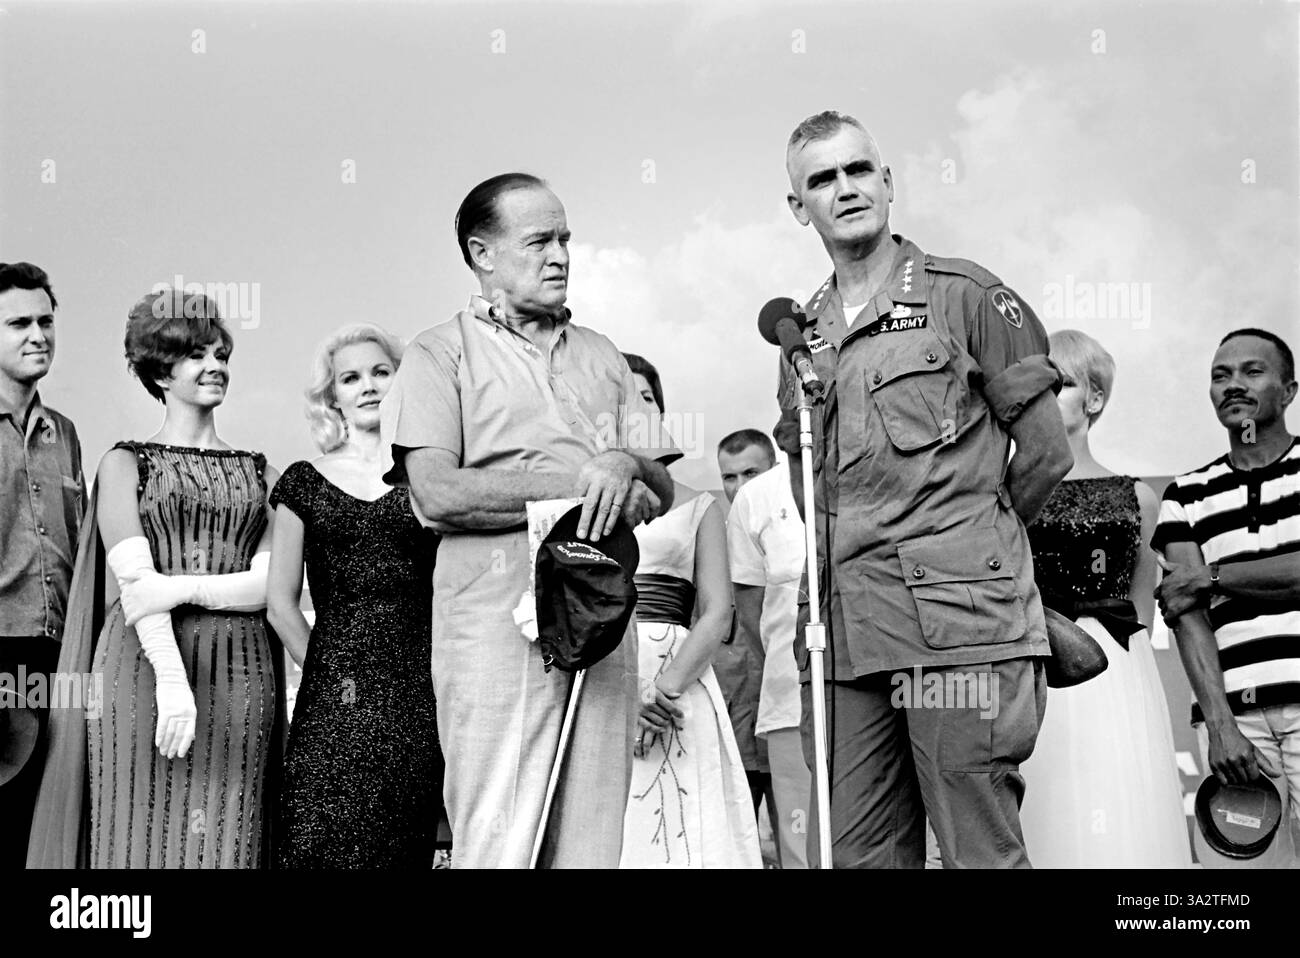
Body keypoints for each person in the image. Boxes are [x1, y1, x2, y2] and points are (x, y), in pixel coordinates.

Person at [775, 111, 1072, 868]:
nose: (844, 189)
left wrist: (978, 546)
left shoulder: (967, 295)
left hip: (957, 630)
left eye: (857, 170)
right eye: (821, 179)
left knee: (979, 851)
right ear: (797, 206)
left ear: (888, 182)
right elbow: (804, 485)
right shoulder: (799, 338)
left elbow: (1043, 455)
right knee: (859, 857)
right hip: (842, 639)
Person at [380, 172, 680, 868]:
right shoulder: (437, 352)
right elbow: (436, 494)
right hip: (491, 628)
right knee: (499, 839)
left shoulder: (605, 354)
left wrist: (629, 468)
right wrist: (583, 481)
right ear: (483, 254)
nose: (561, 256)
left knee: (592, 841)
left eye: (566, 239)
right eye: (540, 240)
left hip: (602, 617)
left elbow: (659, 483)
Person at [28, 288, 284, 869]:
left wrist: (184, 586)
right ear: (160, 373)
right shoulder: (124, 463)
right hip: (142, 668)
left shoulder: (260, 470)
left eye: (221, 354)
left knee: (229, 838)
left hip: (242, 670)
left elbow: (268, 585)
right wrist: (172, 681)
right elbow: (137, 583)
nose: (215, 366)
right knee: (134, 835)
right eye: (197, 355)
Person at [267, 324, 443, 869]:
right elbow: (280, 603)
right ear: (333, 396)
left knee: (399, 843)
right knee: (317, 842)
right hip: (332, 704)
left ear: (402, 381)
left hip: (416, 695)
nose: (367, 386)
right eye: (350, 377)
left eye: (380, 372)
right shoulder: (303, 481)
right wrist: (330, 675)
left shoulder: (431, 482)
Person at [1018, 330, 1190, 867]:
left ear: (1094, 399)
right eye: (1039, 386)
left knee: (1115, 802)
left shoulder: (1139, 497)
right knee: (1041, 808)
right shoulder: (1006, 492)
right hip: (1035, 669)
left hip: (1116, 672)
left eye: (1062, 385)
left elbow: (1139, 609)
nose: (1047, 398)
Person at [1153, 327, 1299, 868]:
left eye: (1251, 371)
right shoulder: (1185, 494)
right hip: (1233, 726)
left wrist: (1211, 576)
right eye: (1220, 375)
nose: (1232, 384)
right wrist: (1220, 726)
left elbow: (1198, 585)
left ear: (1289, 390)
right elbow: (1183, 608)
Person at [619, 355, 761, 868]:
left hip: (676, 678)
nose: (635, 410)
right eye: (623, 398)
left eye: (647, 399)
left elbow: (718, 611)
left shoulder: (701, 504)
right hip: (599, 677)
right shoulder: (576, 500)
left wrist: (662, 691)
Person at [0, 263, 85, 869]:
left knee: (49, 827)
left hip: (59, 656)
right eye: (19, 323)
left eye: (46, 320)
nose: (38, 334)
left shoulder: (66, 433)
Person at [725, 430, 814, 869]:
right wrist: (790, 665)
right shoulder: (753, 500)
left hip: (878, 692)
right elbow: (751, 611)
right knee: (799, 846)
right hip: (788, 698)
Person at [713, 431, 775, 837]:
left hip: (789, 713)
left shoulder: (798, 529)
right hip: (731, 720)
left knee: (806, 844)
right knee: (732, 844)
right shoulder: (710, 534)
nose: (739, 487)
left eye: (751, 473)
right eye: (729, 477)